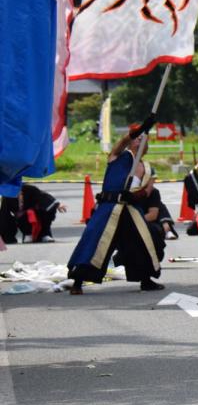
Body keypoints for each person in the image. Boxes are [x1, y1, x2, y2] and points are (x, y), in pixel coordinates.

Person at [67, 118, 166, 294]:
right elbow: (122, 143)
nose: (139, 140)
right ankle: (78, 281)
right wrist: (139, 128)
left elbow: (147, 191)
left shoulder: (147, 168)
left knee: (142, 243)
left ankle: (145, 279)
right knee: (94, 242)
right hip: (109, 207)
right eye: (137, 138)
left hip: (131, 209)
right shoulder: (118, 156)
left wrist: (136, 194)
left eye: (143, 138)